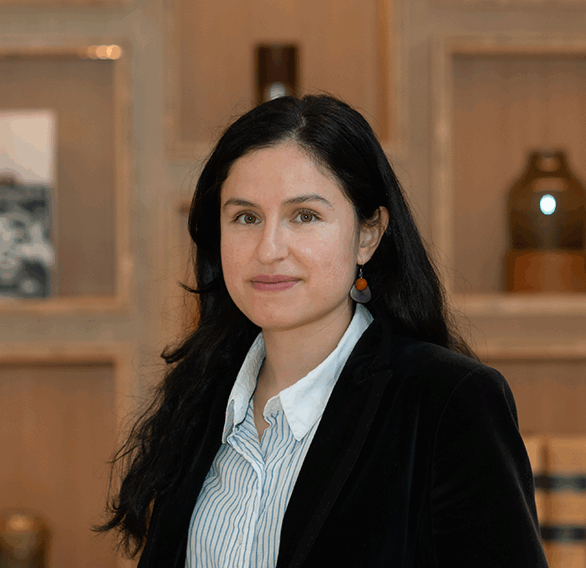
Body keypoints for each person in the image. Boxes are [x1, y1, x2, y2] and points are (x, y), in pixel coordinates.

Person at [95, 94, 549, 567]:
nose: (269, 249)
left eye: (305, 216)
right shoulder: (199, 397)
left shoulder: (449, 402)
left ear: (368, 235)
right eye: (246, 217)